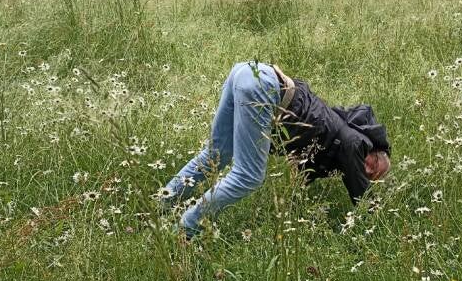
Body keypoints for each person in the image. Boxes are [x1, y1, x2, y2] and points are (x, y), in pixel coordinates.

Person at [161, 61, 391, 239]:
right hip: (262, 86)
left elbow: (306, 172)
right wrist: (376, 218)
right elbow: (361, 192)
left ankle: (160, 205)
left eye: (373, 175)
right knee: (248, 176)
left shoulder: (335, 139)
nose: (368, 171)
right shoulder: (356, 142)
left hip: (247, 73)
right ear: (374, 149)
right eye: (375, 165)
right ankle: (185, 230)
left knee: (215, 154)